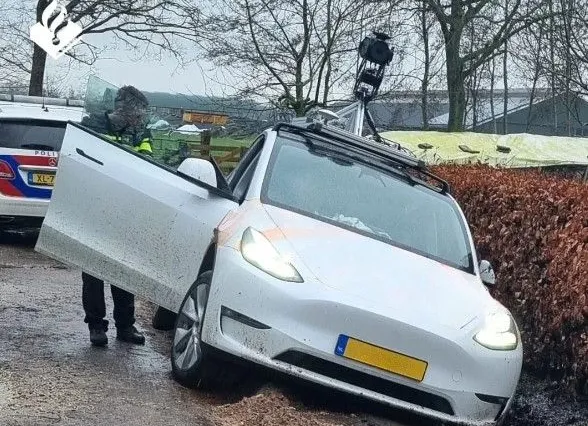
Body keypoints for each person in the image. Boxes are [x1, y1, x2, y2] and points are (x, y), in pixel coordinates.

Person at [79, 85, 154, 346]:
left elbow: (148, 167)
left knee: (124, 271)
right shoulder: (94, 125)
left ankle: (125, 326)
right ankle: (96, 326)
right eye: (139, 113)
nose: (141, 118)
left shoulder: (141, 133)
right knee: (93, 273)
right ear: (123, 108)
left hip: (125, 212)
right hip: (95, 208)